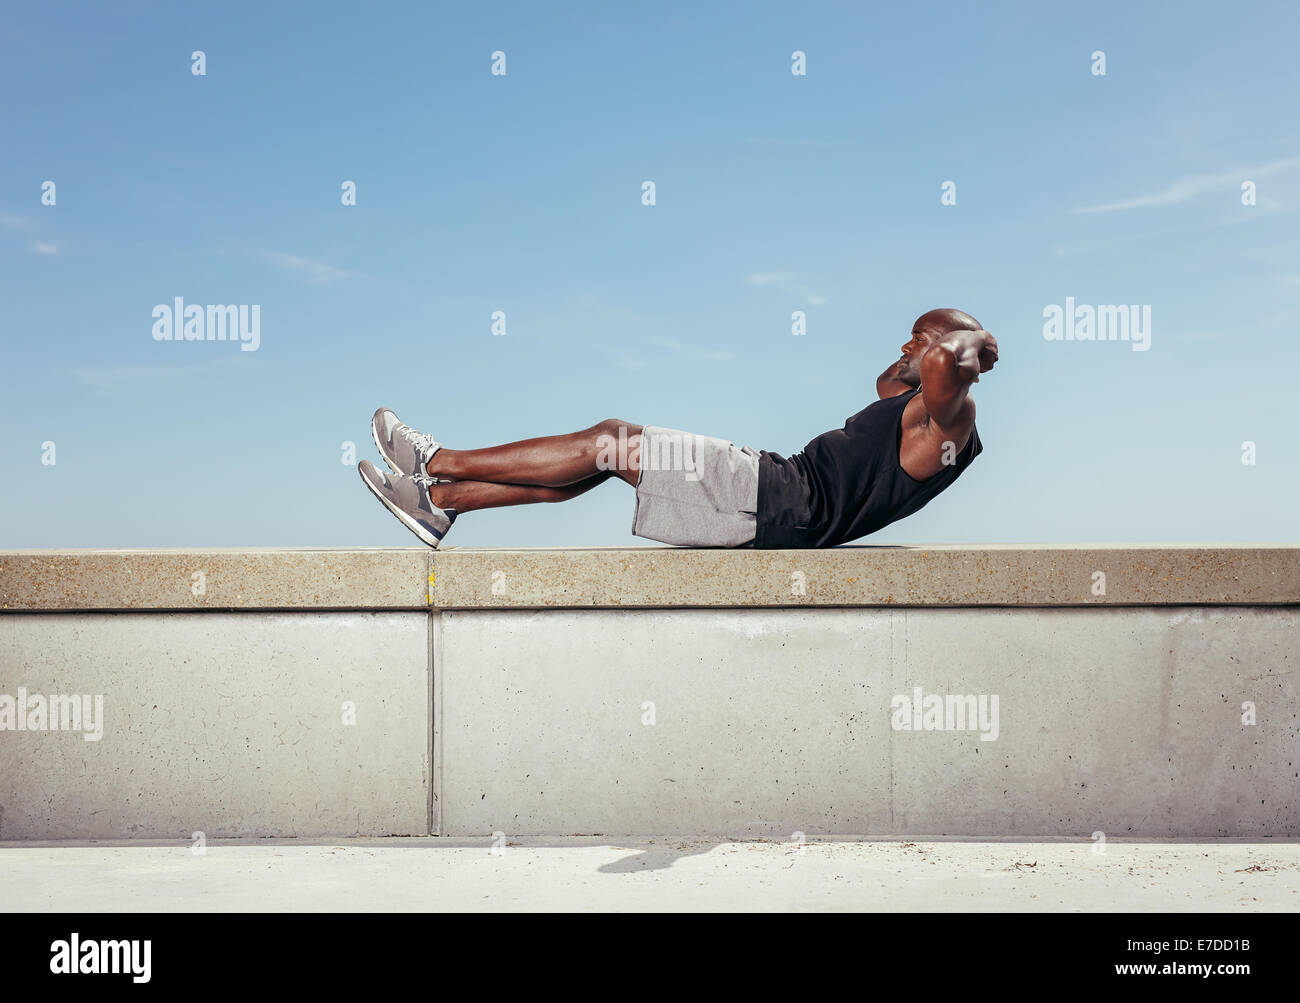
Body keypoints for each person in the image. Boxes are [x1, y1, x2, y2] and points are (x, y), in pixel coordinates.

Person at [358, 308, 997, 549]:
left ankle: (437, 462)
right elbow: (891, 383)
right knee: (606, 459)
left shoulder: (951, 421)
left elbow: (945, 365)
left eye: (916, 340)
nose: (903, 347)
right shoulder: (913, 415)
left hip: (770, 500)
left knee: (611, 439)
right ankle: (442, 505)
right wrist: (920, 350)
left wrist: (969, 339)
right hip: (770, 493)